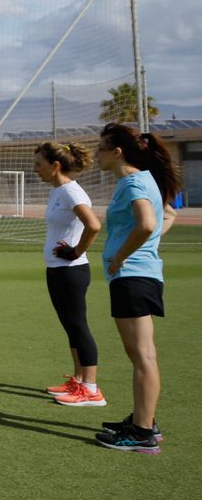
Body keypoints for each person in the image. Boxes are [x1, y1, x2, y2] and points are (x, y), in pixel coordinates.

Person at [93, 124, 179, 453]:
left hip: (132, 277)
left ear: (117, 152)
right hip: (137, 276)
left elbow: (147, 223)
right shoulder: (140, 181)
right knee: (139, 355)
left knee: (143, 356)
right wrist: (143, 248)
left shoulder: (133, 182)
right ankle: (145, 420)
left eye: (102, 148)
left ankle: (142, 433)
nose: (97, 154)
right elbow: (167, 216)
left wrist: (121, 256)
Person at [33, 141, 103, 406]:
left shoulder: (71, 192)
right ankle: (78, 381)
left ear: (55, 166)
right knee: (70, 327)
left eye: (39, 165)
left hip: (72, 271)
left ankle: (91, 388)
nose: (35, 170)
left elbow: (93, 225)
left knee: (78, 326)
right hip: (57, 269)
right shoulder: (58, 190)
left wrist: (75, 252)